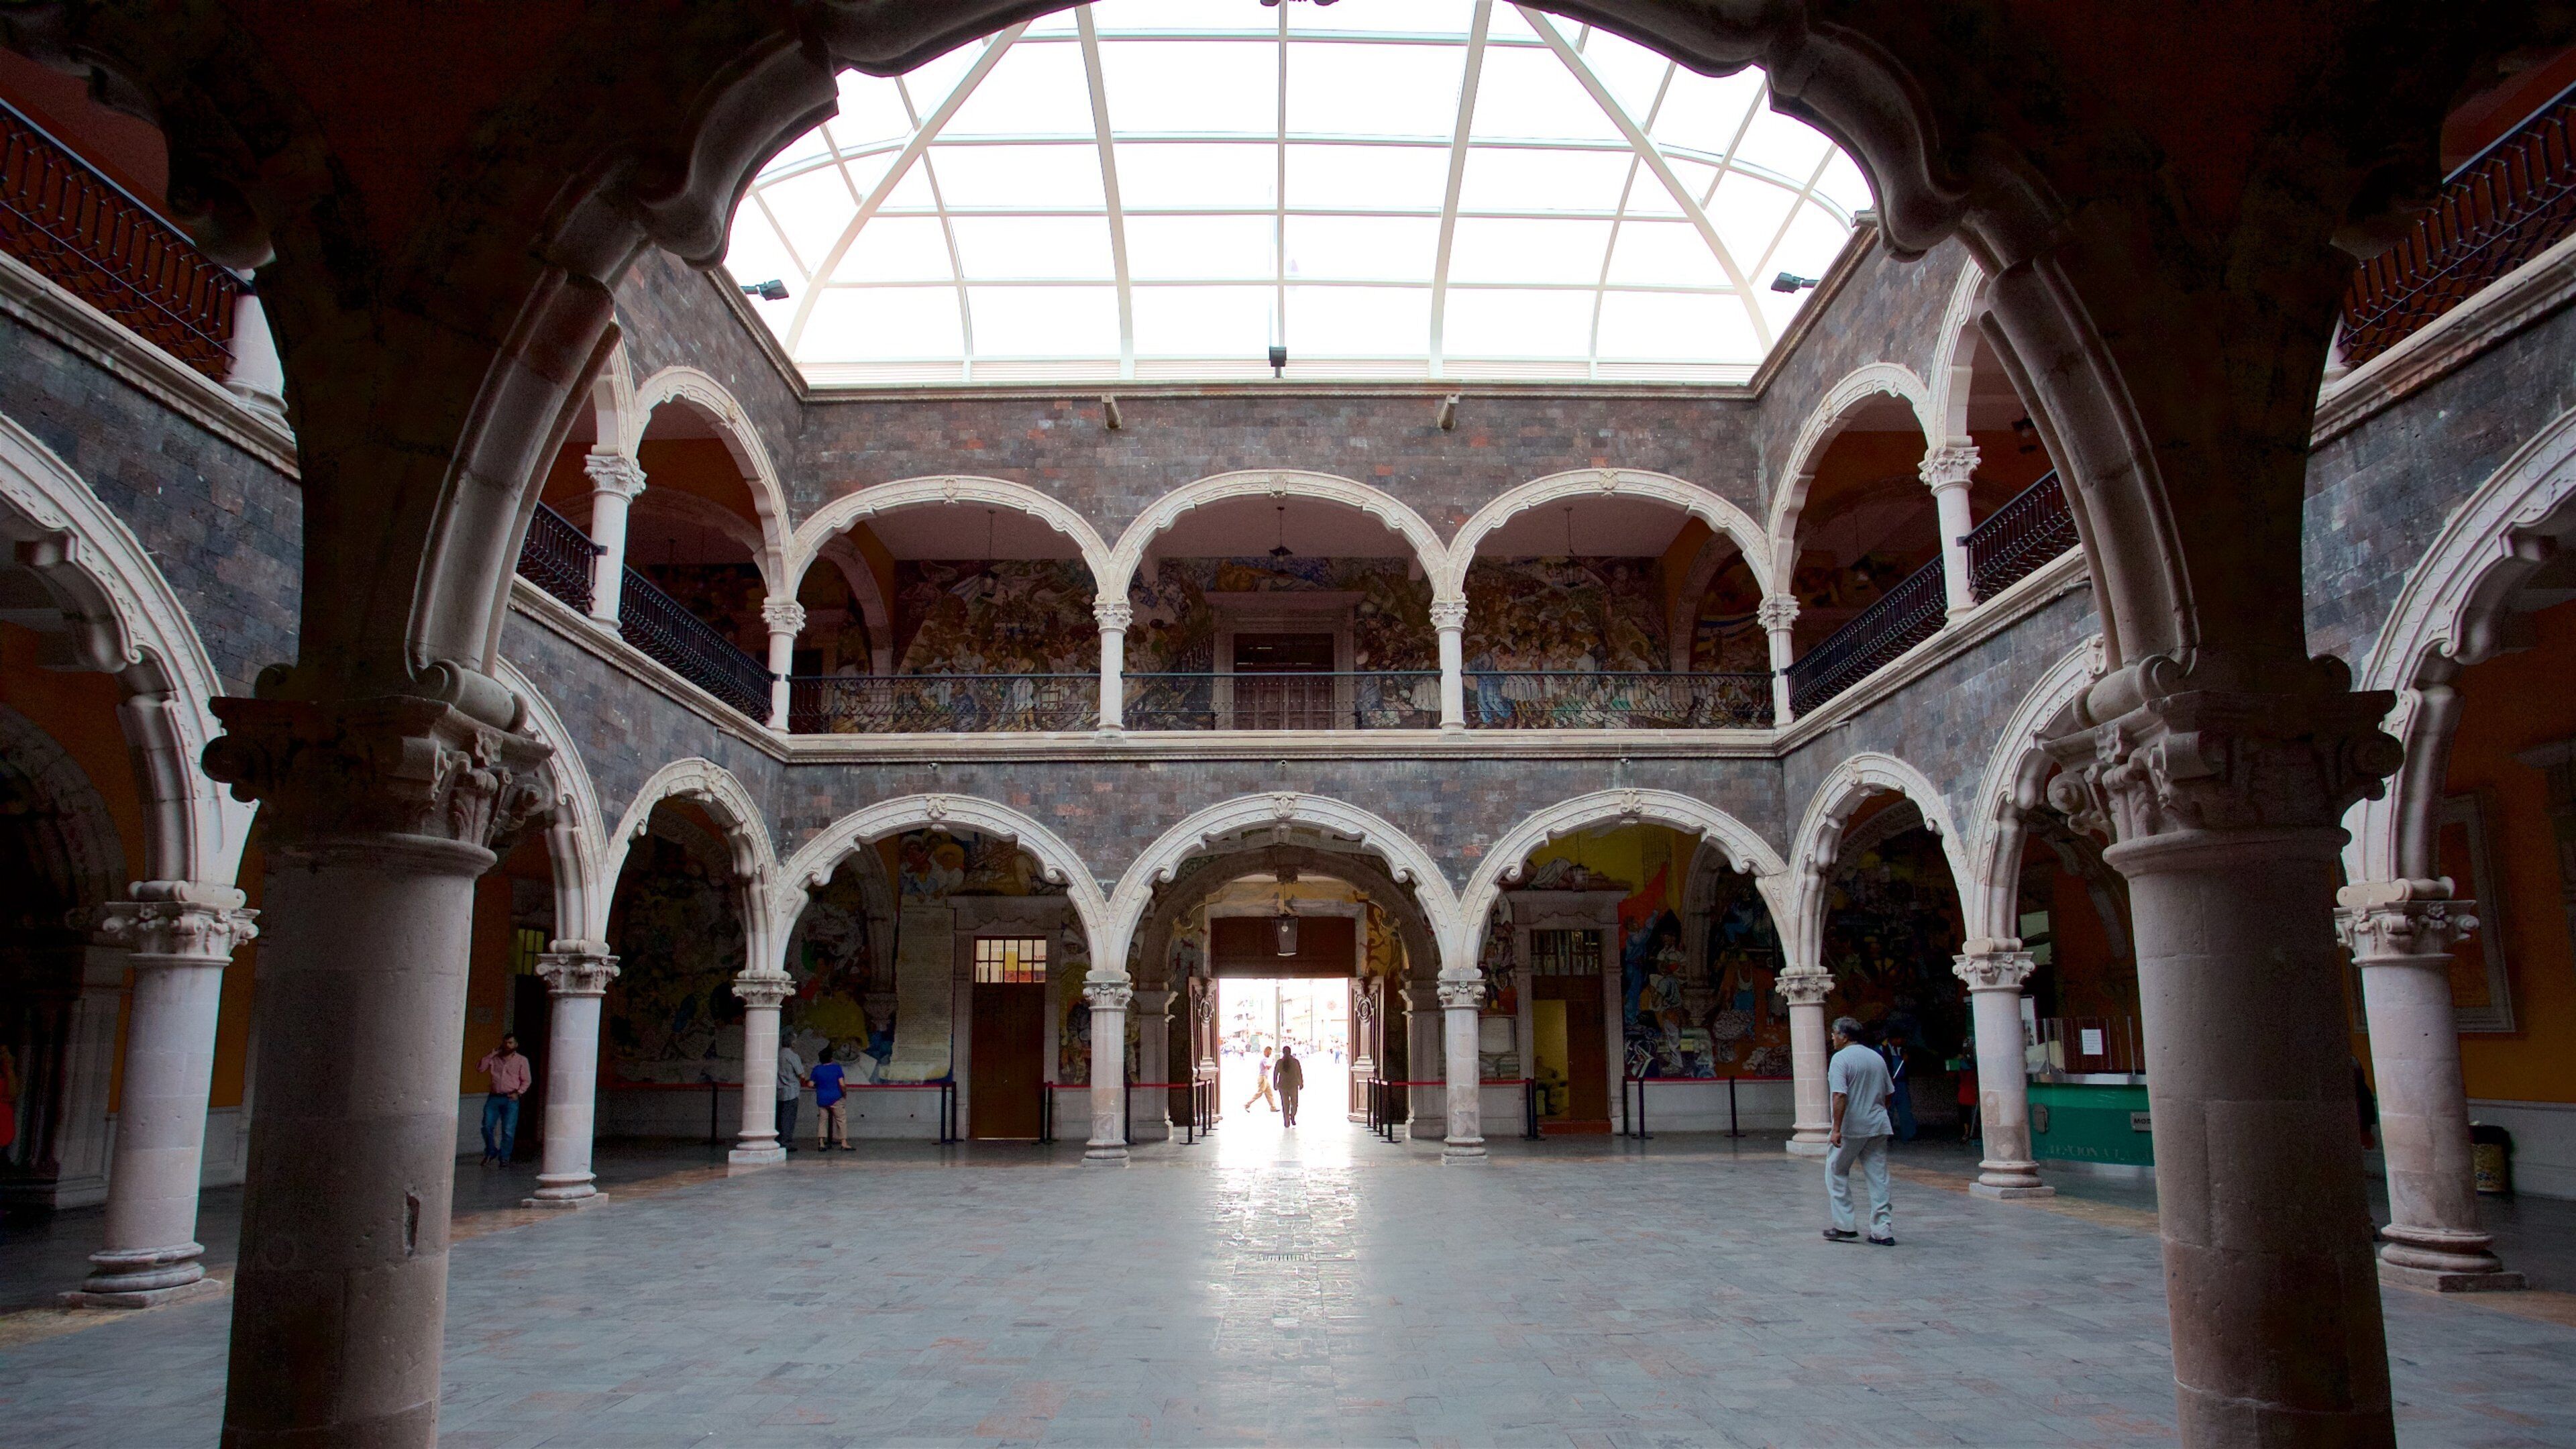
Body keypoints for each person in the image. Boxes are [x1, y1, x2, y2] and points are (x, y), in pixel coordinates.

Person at [1822, 1017, 1896, 1246]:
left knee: (1836, 1170)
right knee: (1878, 1177)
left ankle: (1844, 1225)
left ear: (1844, 1037)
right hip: (1877, 1125)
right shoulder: (1876, 1057)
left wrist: (1836, 1129)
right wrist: (1877, 1111)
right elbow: (1889, 1092)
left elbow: (1839, 1095)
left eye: (1834, 1033)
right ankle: (1882, 1230)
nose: (1832, 1037)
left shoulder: (1840, 1059)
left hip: (1852, 1127)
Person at [477, 1034, 531, 1167]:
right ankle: (491, 1151)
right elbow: (480, 1068)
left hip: (510, 1098)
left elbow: (527, 1080)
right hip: (494, 1097)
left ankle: (505, 1157)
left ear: (516, 1045)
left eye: (511, 1043)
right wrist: (490, 1055)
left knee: (508, 1130)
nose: (508, 1045)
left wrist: (519, 1093)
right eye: (506, 1042)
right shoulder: (495, 1058)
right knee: (487, 1126)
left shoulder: (522, 1060)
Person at [811, 1045, 852, 1151]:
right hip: (836, 1098)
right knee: (841, 1120)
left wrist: (819, 1086)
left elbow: (810, 1084)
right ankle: (844, 1143)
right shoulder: (836, 1068)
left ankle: (821, 1143)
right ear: (831, 1058)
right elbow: (842, 1084)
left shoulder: (817, 1069)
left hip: (822, 1098)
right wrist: (844, 1094)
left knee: (822, 1120)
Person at [1882, 1030, 1917, 1141]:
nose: (1902, 1041)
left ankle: (1909, 1134)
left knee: (1905, 1109)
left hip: (1901, 1084)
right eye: (1900, 1039)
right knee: (1888, 1109)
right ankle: (1886, 1134)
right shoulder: (1883, 1049)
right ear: (1894, 1039)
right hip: (1889, 1083)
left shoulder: (1902, 1050)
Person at [776, 1040, 805, 1153]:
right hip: (791, 1091)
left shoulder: (778, 1054)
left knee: (779, 1117)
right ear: (792, 1043)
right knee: (788, 1118)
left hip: (779, 1090)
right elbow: (801, 1074)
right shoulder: (792, 1056)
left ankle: (778, 1139)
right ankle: (786, 1142)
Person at [1275, 1044, 1305, 1127]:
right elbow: (1299, 1073)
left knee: (1285, 1104)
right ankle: (1292, 1116)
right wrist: (1301, 1083)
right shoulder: (1295, 1062)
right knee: (1294, 1103)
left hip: (1283, 1086)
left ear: (1283, 1052)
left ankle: (1287, 1120)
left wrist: (1275, 1084)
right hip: (1293, 1086)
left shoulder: (1280, 1062)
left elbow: (1275, 1074)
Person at [1244, 1046, 1278, 1113]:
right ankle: (1247, 1104)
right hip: (1263, 1078)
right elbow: (1268, 1067)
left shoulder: (1265, 1059)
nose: (1270, 1054)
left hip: (1265, 1078)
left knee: (1269, 1093)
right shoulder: (1264, 1059)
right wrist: (1272, 1062)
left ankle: (1273, 1107)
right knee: (1260, 1093)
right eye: (1269, 1052)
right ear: (1266, 1052)